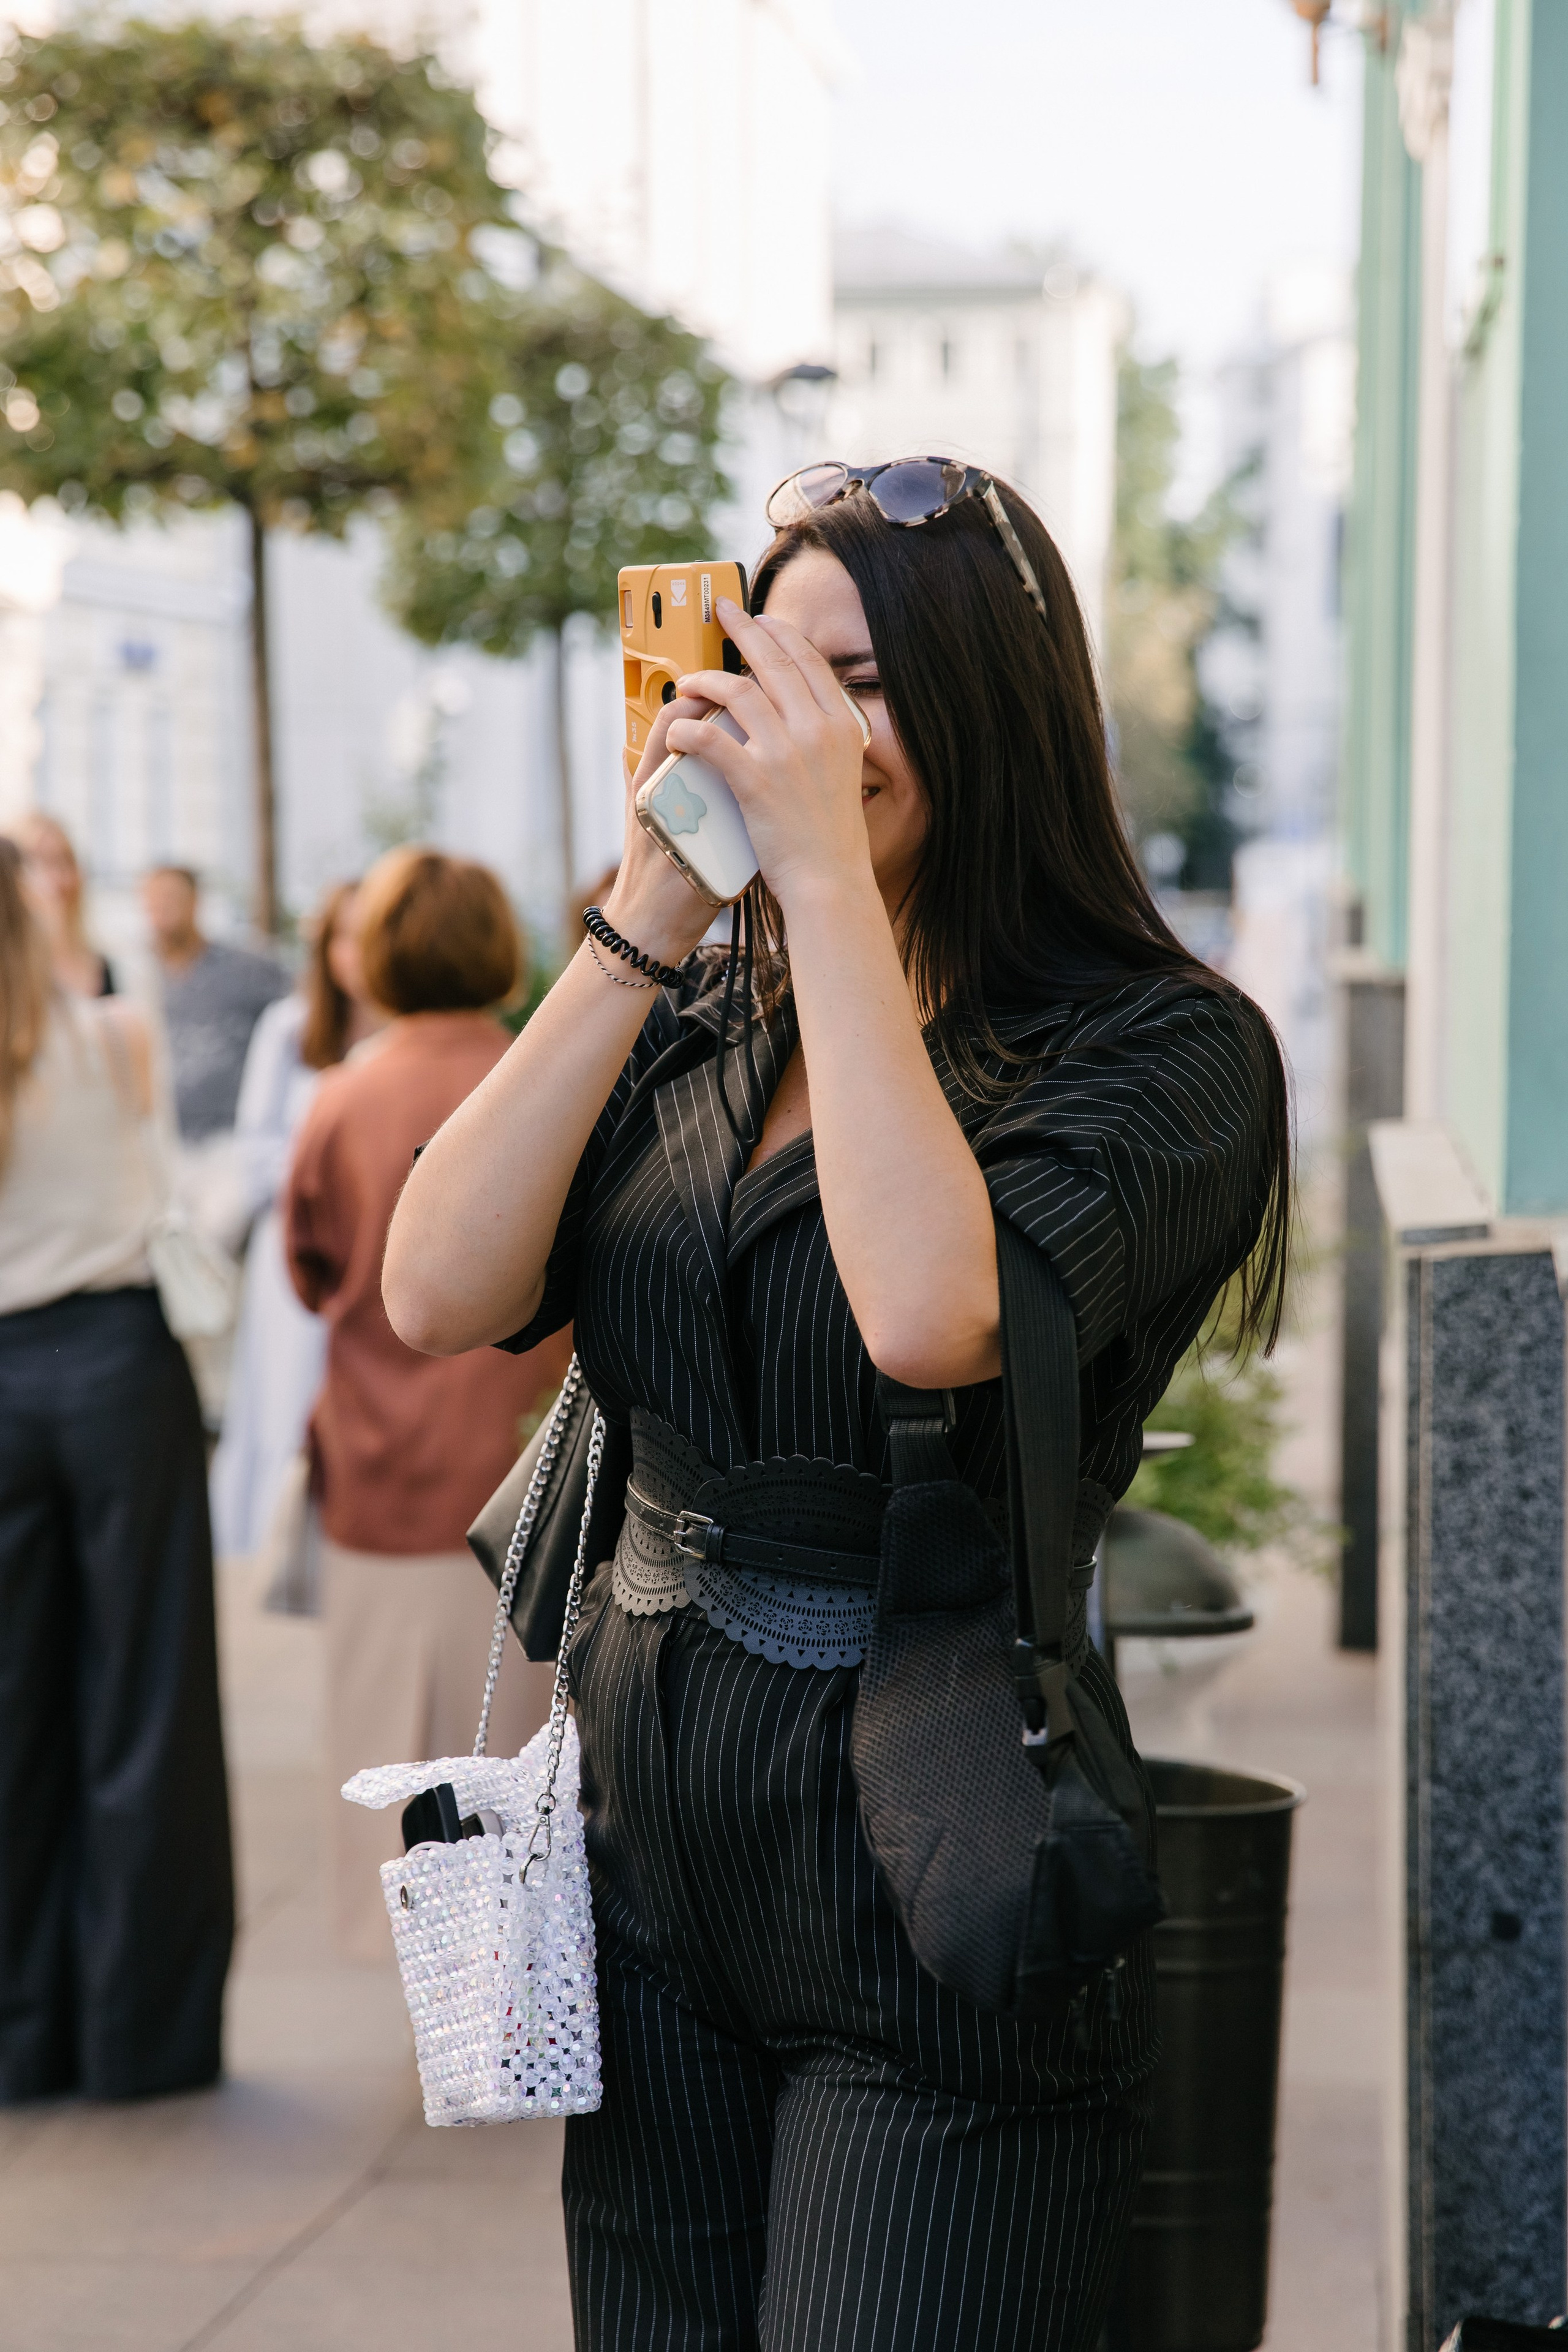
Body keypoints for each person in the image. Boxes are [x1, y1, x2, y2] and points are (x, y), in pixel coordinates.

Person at [383, 458, 1292, 2350]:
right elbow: (435, 1285)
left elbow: (928, 1314)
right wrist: (652, 897)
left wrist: (817, 887)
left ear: (990, 715)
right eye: (756, 668)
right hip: (651, 1861)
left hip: (938, 1868)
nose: (790, 722)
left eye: (856, 682)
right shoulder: (708, 1019)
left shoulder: (1162, 1049)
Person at [284, 846, 570, 1961]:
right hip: (522, 1469)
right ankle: (526, 1978)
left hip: (376, 1457)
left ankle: (415, 1968)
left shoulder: (344, 1097)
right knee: (517, 1746)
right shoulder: (543, 1073)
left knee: (385, 1746)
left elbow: (310, 1270)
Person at [0, 838, 232, 2101]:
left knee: (11, 1709)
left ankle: (19, 2038)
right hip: (114, 1361)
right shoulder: (115, 1034)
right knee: (145, 1702)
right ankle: (143, 2037)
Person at [210, 881, 386, 1564]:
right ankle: (288, 1544)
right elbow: (254, 1157)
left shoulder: (410, 1035)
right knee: (288, 1402)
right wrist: (330, 1176)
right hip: (299, 1251)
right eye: (341, 936)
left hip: (381, 1254)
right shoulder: (289, 1028)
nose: (354, 954)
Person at [141, 864, 289, 1148]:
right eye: (155, 898)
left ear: (196, 901)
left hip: (229, 1140)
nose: (162, 906)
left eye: (172, 897)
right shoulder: (134, 975)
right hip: (161, 1142)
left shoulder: (247, 969)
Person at [11, 812, 115, 997]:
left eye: (64, 861)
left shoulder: (102, 965)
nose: (57, 878)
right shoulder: (11, 969)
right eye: (39, 862)